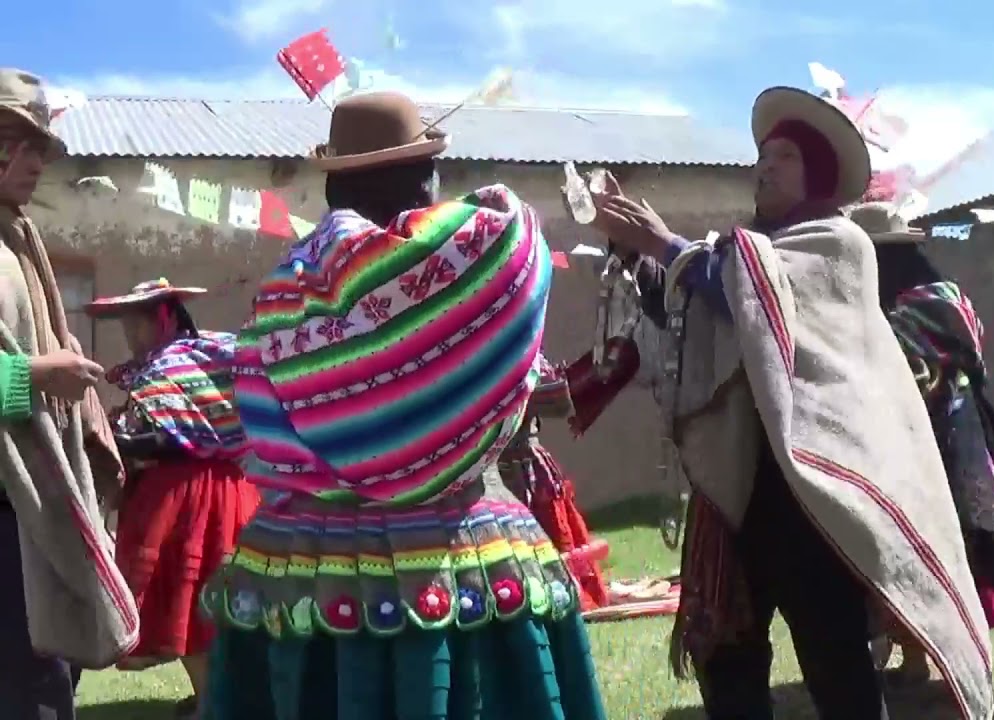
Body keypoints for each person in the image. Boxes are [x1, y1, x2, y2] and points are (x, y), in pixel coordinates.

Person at [198, 91, 607, 720]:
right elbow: (517, 236)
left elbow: (255, 402)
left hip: (301, 565)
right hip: (458, 552)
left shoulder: (283, 291)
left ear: (335, 185)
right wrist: (493, 201)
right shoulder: (468, 260)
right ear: (421, 183)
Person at [589, 85, 994, 719]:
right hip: (739, 490)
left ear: (819, 176)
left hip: (813, 490)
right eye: (764, 155)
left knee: (835, 658)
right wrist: (635, 249)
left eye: (784, 157)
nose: (765, 166)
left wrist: (669, 246)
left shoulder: (840, 244)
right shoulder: (740, 254)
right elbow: (701, 307)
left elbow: (749, 297)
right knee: (727, 657)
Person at [852, 204, 994, 684]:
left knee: (952, 559)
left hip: (945, 451)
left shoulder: (902, 314)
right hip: (969, 442)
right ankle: (917, 658)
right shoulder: (950, 299)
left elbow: (910, 376)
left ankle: (960, 666)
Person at [0, 68, 137, 719]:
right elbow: (22, 369)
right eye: (16, 142)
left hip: (28, 504)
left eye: (41, 148)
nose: (35, 163)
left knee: (48, 683)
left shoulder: (17, 239)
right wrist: (30, 377)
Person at [87, 279, 261, 718]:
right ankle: (212, 697)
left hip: (191, 498)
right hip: (223, 490)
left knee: (198, 600)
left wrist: (115, 437)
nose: (130, 335)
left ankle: (213, 702)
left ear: (163, 318)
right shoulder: (209, 355)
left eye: (136, 324)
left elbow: (163, 437)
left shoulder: (174, 365)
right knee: (195, 603)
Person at [497, 368, 609, 611]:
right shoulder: (516, 352)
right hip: (506, 469)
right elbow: (559, 399)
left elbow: (557, 399)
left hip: (519, 465)